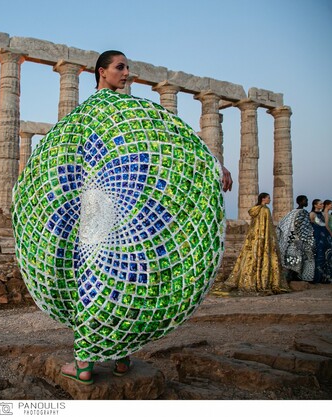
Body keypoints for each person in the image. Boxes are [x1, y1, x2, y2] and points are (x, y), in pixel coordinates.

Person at [59, 50, 233, 384]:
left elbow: (174, 142)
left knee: (109, 278)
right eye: (120, 68)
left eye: (128, 68)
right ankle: (115, 357)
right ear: (102, 72)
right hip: (104, 203)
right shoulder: (110, 112)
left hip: (115, 204)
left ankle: (93, 361)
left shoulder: (122, 111)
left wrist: (213, 164)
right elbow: (63, 153)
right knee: (111, 277)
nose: (127, 73)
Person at [223, 193, 289, 294]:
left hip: (253, 239)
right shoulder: (265, 210)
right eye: (268, 198)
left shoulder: (255, 209)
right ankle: (262, 282)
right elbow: (268, 228)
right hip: (263, 239)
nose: (270, 200)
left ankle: (248, 281)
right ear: (263, 199)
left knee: (250, 258)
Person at [276, 195, 315, 282]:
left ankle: (292, 277)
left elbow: (282, 224)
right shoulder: (303, 212)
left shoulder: (292, 212)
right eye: (306, 200)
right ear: (301, 201)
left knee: (292, 259)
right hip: (299, 240)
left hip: (291, 239)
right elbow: (304, 227)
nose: (307, 202)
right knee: (300, 258)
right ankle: (299, 277)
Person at [309, 199, 332, 283]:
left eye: (322, 204)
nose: (322, 205)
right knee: (319, 255)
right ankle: (318, 277)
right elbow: (310, 226)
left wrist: (331, 235)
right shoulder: (311, 214)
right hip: (317, 236)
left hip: (325, 236)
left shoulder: (323, 214)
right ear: (315, 205)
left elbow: (326, 225)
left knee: (329, 254)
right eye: (320, 204)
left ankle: (327, 277)